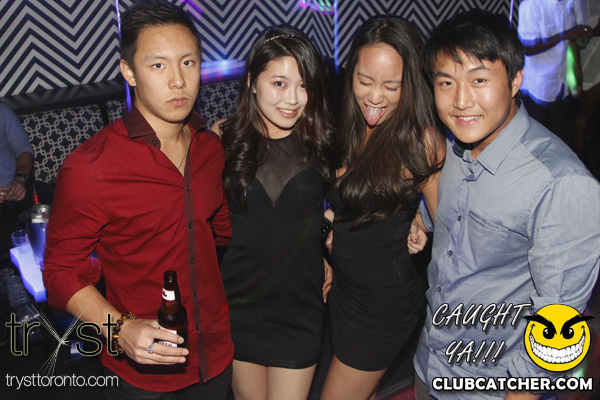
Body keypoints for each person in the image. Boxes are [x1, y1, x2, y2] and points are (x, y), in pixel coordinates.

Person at [43, 1, 234, 398]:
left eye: (188, 62)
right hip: (140, 375)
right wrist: (119, 328)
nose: (178, 81)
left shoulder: (211, 150)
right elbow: (59, 271)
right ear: (128, 71)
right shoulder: (91, 168)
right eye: (158, 65)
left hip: (215, 355)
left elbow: (225, 233)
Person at [414, 10, 600, 400]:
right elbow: (452, 221)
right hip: (430, 363)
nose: (461, 100)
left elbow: (559, 324)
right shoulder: (454, 149)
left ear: (516, 80)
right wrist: (423, 218)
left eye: (479, 80)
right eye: (446, 82)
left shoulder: (562, 183)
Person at [320, 17, 444, 400]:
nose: (375, 97)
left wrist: (421, 220)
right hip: (343, 291)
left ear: (411, 85)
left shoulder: (421, 142)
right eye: (365, 81)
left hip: (384, 306)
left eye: (391, 86)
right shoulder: (346, 124)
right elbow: (344, 205)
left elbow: (452, 227)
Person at [211, 27, 335, 400]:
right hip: (239, 307)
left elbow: (351, 204)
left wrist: (320, 240)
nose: (293, 99)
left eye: (303, 85)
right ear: (252, 81)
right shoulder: (222, 139)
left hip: (299, 309)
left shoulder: (322, 141)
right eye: (279, 83)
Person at [518, 0, 592, 142]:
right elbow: (527, 48)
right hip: (538, 87)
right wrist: (566, 34)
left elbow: (574, 39)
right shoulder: (532, 5)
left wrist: (577, 74)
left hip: (563, 82)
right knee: (537, 140)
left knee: (562, 139)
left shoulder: (572, 2)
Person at [0, 103, 34, 216]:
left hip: (15, 187)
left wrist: (19, 179)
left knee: (60, 196)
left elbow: (24, 151)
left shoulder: (2, 111)